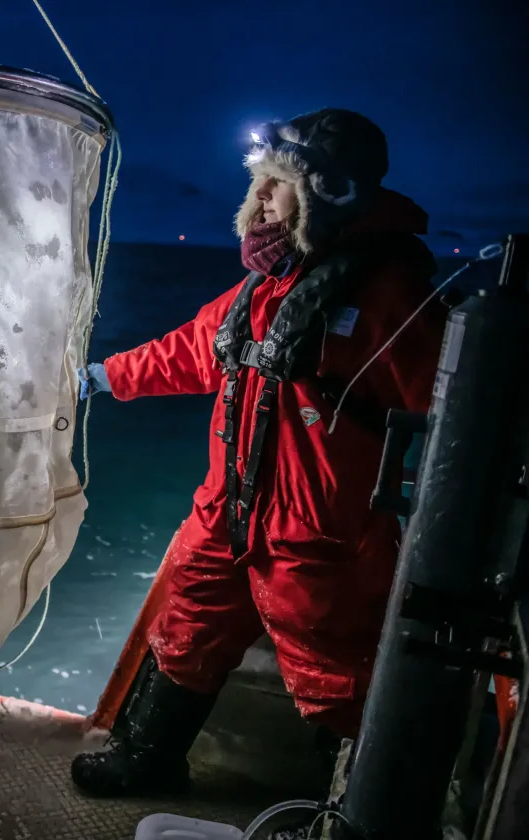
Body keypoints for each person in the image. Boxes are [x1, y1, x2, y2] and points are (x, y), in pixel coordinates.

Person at [70, 109, 447, 797]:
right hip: (226, 514)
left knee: (336, 669)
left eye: (279, 184)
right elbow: (185, 353)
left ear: (326, 193)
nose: (263, 198)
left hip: (320, 533)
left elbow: (448, 414)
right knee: (185, 627)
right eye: (262, 184)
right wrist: (98, 378)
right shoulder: (263, 292)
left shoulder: (394, 299)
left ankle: (356, 803)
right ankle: (148, 758)